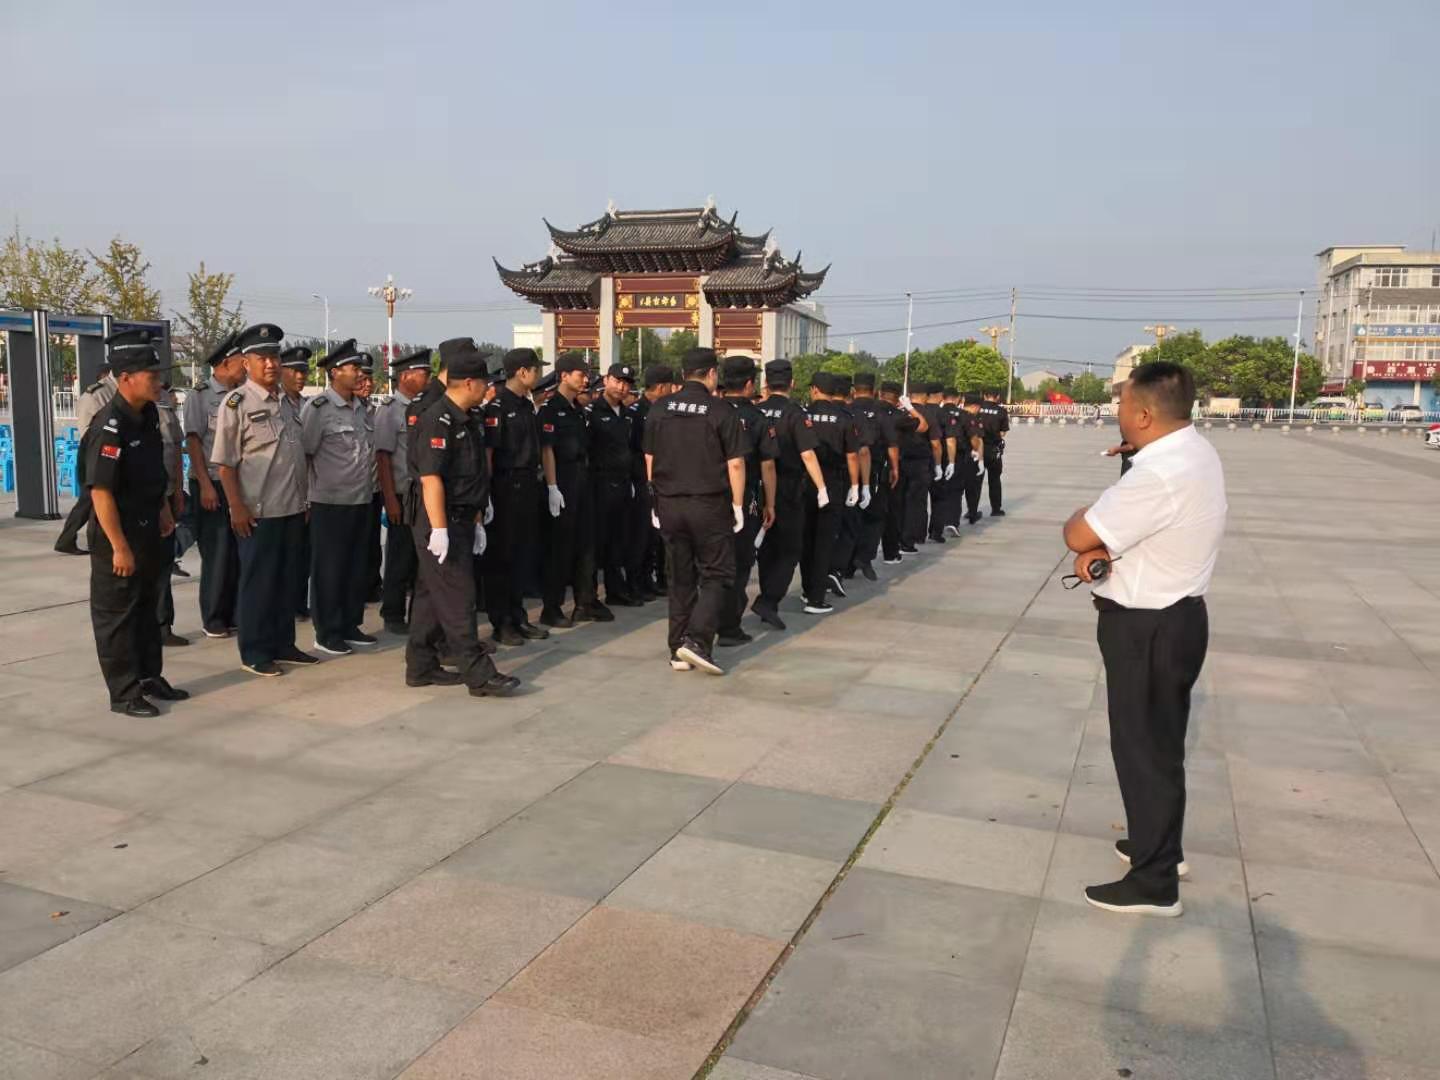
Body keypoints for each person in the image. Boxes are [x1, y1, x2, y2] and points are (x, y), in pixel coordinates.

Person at [1062, 361, 1226, 917]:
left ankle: (1154, 884)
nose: (1119, 413)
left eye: (1123, 405)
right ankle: (1160, 848)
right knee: (1161, 743)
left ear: (1145, 414)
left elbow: (1079, 533)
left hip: (1147, 626)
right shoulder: (1194, 452)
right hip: (1179, 618)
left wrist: (1088, 530)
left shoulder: (1156, 476)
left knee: (1141, 749)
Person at [81, 328, 186, 717]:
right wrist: (120, 546)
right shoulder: (109, 426)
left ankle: (148, 676)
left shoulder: (148, 415)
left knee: (146, 610)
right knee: (118, 617)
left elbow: (152, 473)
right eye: (151, 375)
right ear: (125, 378)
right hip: (118, 537)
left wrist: (163, 510)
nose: (158, 381)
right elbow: (101, 492)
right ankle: (124, 693)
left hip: (148, 530)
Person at [406, 337, 520, 697]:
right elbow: (431, 479)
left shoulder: (468, 418)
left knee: (430, 594)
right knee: (459, 597)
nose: (488, 388)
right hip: (440, 519)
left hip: (462, 517)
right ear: (469, 383)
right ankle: (479, 674)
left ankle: (420, 665)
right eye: (484, 382)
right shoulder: (437, 419)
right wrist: (439, 529)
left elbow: (471, 474)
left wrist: (477, 517)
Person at [211, 323, 317, 677]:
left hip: (292, 508)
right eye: (262, 358)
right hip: (259, 511)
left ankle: (283, 643)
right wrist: (236, 506)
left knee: (287, 581)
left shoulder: (287, 402)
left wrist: (304, 502)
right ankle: (255, 651)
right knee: (259, 583)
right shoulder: (237, 404)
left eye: (274, 356)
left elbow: (294, 457)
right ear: (246, 363)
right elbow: (225, 463)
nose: (270, 363)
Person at [644, 347, 746, 674]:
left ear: (684, 373)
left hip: (669, 503)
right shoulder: (721, 410)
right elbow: (735, 463)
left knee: (680, 577)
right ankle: (698, 641)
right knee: (718, 573)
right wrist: (738, 505)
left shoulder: (659, 408)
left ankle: (677, 649)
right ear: (712, 373)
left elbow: (649, 458)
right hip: (708, 503)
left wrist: (655, 498)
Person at [301, 339, 378, 656]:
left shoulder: (362, 408)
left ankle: (349, 623)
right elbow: (305, 454)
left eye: (360, 367)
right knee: (329, 570)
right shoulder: (318, 409)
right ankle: (327, 631)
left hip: (360, 499)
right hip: (329, 502)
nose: (359, 373)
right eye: (353, 367)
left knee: (355, 567)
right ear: (335, 372)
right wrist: (306, 498)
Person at [182, 331, 247, 637]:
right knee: (217, 552)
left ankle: (234, 612)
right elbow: (194, 442)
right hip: (211, 483)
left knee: (237, 552)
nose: (245, 367)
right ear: (224, 364)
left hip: (237, 484)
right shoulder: (200, 396)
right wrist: (205, 484)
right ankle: (214, 617)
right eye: (241, 362)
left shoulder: (242, 396)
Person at [753, 359, 825, 630]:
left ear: (766, 383)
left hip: (757, 486)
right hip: (787, 487)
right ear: (792, 383)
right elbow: (807, 454)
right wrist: (822, 487)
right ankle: (768, 600)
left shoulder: (756, 410)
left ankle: (767, 600)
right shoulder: (795, 413)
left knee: (766, 548)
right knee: (791, 548)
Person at [483, 348, 549, 645]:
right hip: (505, 486)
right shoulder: (497, 406)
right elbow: (489, 454)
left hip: (528, 484)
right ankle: (502, 622)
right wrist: (486, 494)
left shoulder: (526, 405)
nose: (538, 375)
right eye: (536, 370)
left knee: (522, 554)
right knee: (503, 557)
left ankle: (518, 616)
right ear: (522, 372)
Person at [715, 354, 778, 646]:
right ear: (750, 383)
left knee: (710, 564)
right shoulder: (756, 418)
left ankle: (702, 622)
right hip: (744, 499)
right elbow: (768, 465)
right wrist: (770, 503)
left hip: (708, 497)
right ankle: (729, 627)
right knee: (739, 564)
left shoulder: (712, 411)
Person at [538, 353, 601, 628]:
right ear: (563, 375)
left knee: (586, 544)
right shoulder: (550, 409)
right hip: (562, 481)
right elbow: (547, 450)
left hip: (582, 479)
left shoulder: (578, 409)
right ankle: (551, 608)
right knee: (559, 548)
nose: (585, 379)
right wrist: (552, 486)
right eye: (580, 374)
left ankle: (584, 603)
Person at [376, 347, 433, 634]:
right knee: (399, 557)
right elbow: (383, 456)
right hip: (401, 494)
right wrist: (389, 499)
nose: (428, 378)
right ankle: (393, 612)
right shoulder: (390, 409)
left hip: (423, 493)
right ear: (406, 376)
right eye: (424, 373)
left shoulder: (424, 407)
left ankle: (417, 615)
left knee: (419, 560)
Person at [800, 372, 861, 615]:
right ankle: (816, 597)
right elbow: (852, 455)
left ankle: (807, 589)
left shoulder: (802, 414)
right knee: (824, 541)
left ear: (814, 389)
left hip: (805, 481)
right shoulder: (844, 417)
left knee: (806, 539)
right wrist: (855, 485)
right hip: (833, 481)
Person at [589, 363, 640, 607]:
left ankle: (616, 590)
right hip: (599, 485)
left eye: (626, 383)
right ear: (606, 380)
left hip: (623, 484)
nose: (622, 387)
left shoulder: (628, 414)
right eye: (617, 381)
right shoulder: (592, 412)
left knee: (618, 541)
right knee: (595, 543)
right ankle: (589, 598)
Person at [54, 363, 117, 555]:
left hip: (107, 454)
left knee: (94, 501)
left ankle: (73, 540)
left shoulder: (116, 391)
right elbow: (88, 431)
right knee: (90, 499)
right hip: (93, 454)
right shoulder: (95, 395)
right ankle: (68, 539)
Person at [626, 364, 675, 600]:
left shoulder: (663, 410)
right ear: (662, 387)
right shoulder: (636, 411)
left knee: (654, 536)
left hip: (660, 480)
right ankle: (636, 583)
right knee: (640, 536)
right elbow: (634, 448)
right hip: (641, 479)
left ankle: (649, 580)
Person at [849, 373, 899, 576]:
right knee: (876, 515)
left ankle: (847, 565)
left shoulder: (847, 409)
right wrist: (895, 469)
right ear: (875, 391)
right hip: (875, 471)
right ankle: (864, 557)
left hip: (850, 471)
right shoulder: (881, 412)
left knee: (852, 516)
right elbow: (892, 444)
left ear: (854, 390)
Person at [826, 372, 872, 590]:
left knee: (821, 528)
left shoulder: (811, 413)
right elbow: (861, 452)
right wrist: (863, 485)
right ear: (850, 392)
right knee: (848, 525)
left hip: (816, 479)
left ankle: (818, 574)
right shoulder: (853, 416)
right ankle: (836, 569)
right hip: (845, 477)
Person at [278, 345, 313, 618]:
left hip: (306, 491)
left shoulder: (308, 406)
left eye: (304, 371)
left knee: (302, 554)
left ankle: (298, 604)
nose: (301, 376)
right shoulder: (274, 405)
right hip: (278, 493)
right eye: (295, 370)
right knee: (279, 559)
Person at [155, 378, 188, 647]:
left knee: (163, 565)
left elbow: (176, 449)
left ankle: (163, 625)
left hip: (166, 494)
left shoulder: (164, 407)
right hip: (141, 502)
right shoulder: (119, 414)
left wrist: (177, 490)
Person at [877, 381, 922, 564]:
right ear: (897, 399)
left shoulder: (868, 411)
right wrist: (909, 407)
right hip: (892, 467)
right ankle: (890, 553)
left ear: (880, 394)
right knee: (892, 511)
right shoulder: (899, 416)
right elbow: (923, 425)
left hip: (868, 466)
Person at [355, 356, 384, 604]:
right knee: (354, 544)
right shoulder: (344, 411)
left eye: (369, 379)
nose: (367, 384)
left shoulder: (375, 411)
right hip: (351, 491)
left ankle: (373, 585)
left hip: (373, 487)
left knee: (372, 541)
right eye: (362, 379)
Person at [895, 381, 937, 553]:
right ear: (925, 396)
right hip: (920, 463)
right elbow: (935, 442)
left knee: (900, 501)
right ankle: (910, 539)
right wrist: (939, 464)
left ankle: (898, 538)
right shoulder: (927, 414)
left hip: (899, 461)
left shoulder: (899, 411)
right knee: (916, 502)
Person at [980, 388, 1010, 516]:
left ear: (984, 396)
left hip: (977, 449)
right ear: (997, 397)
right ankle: (996, 509)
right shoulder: (1001, 411)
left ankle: (972, 510)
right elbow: (1003, 432)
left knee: (974, 481)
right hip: (993, 450)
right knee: (995, 480)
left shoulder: (978, 408)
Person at [959, 393, 988, 523]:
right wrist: (981, 460)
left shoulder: (955, 415)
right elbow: (978, 440)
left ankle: (953, 517)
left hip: (955, 458)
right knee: (973, 487)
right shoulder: (973, 419)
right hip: (971, 457)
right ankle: (972, 513)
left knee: (956, 489)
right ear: (975, 406)